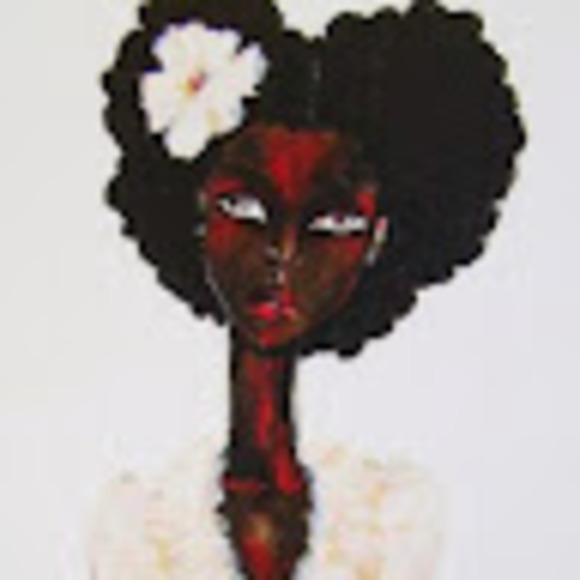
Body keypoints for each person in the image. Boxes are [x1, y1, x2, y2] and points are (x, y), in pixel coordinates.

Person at [91, 0, 525, 578]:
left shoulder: (398, 520)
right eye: (244, 208)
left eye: (333, 222)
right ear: (193, 212)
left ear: (380, 239)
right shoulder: (136, 528)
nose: (283, 253)